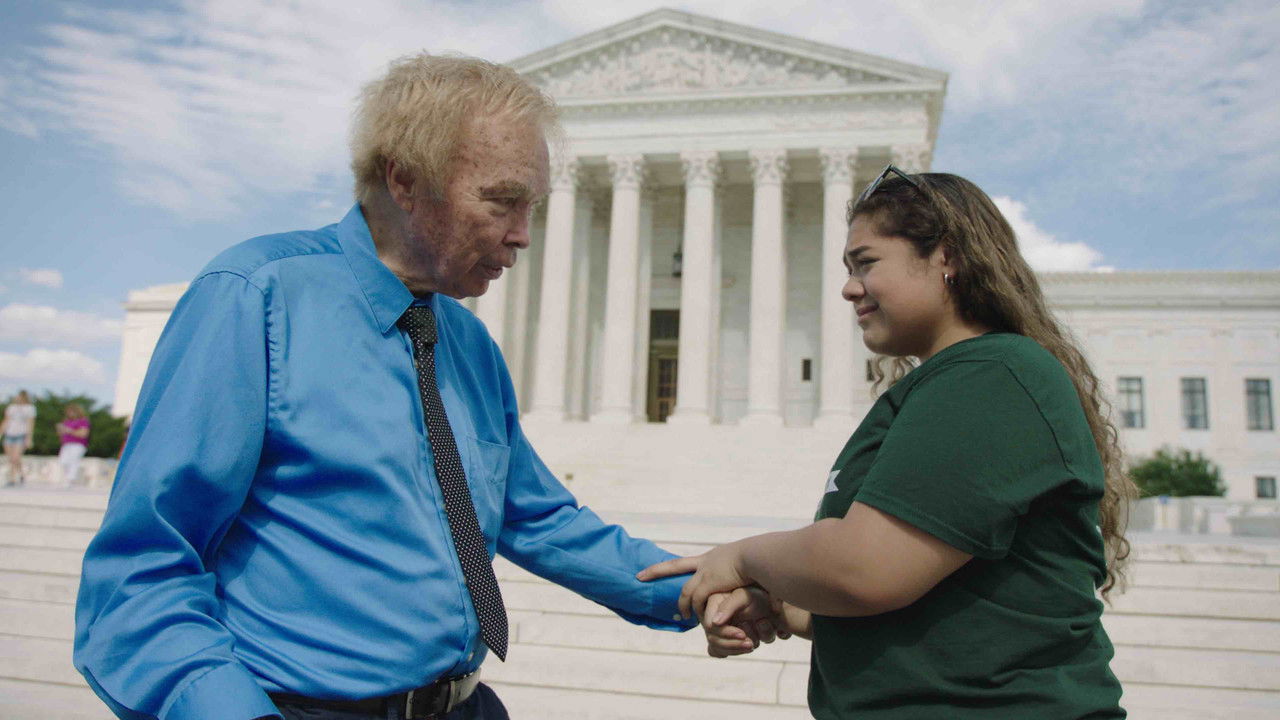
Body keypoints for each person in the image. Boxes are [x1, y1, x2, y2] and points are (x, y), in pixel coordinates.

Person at [74, 53, 693, 720]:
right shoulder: (257, 298)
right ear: (405, 179)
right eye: (501, 201)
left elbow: (537, 518)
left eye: (532, 206)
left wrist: (701, 588)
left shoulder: (468, 343)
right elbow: (143, 570)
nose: (523, 236)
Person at [641, 168, 1135, 719]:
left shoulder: (992, 376)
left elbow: (863, 569)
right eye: (848, 269)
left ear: (947, 257)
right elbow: (935, 600)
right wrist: (777, 606)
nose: (849, 288)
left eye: (866, 263)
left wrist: (741, 557)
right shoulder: (946, 385)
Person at [2, 390, 36, 486]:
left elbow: (30, 423)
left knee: (16, 457)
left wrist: (29, 438)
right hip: (9, 434)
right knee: (11, 458)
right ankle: (21, 474)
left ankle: (12, 478)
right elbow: (6, 421)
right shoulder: (11, 408)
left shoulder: (30, 408)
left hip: (21, 435)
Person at [56, 402, 90, 486]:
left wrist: (69, 431)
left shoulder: (83, 421)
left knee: (74, 461)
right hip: (66, 444)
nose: (69, 413)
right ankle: (67, 478)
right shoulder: (67, 421)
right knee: (63, 461)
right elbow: (62, 434)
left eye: (71, 411)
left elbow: (84, 434)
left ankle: (71, 480)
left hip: (78, 445)